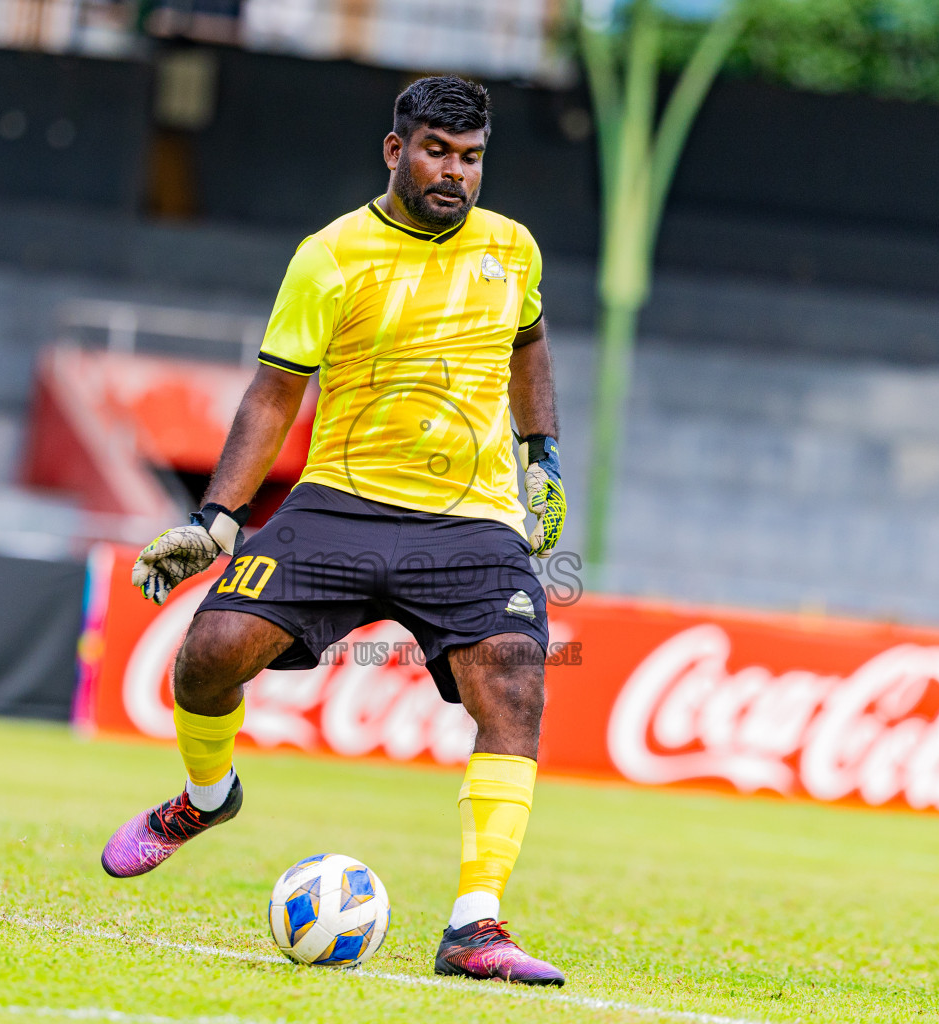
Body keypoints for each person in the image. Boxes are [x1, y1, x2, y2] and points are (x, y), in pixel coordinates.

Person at [100, 75, 567, 986]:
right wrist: (218, 517)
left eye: (471, 159)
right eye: (437, 152)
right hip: (341, 504)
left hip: (471, 522)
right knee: (207, 654)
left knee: (514, 688)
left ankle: (476, 925)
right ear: (396, 152)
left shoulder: (512, 249)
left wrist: (541, 456)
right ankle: (205, 799)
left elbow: (530, 345)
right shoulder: (329, 256)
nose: (455, 174)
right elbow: (274, 392)